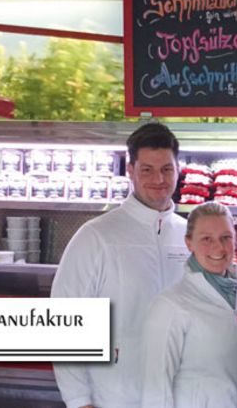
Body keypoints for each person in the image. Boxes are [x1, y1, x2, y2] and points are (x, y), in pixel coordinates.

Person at [51, 122, 190, 408]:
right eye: (147, 170)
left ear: (179, 169)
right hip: (115, 398)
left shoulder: (190, 237)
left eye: (166, 169)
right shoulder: (97, 235)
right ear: (130, 170)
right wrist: (79, 401)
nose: (159, 179)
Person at [140, 201, 237, 408]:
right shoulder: (171, 306)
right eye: (206, 239)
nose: (218, 247)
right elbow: (155, 392)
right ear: (189, 242)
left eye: (226, 237)